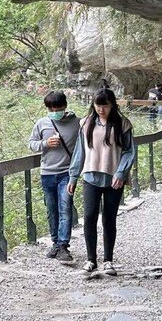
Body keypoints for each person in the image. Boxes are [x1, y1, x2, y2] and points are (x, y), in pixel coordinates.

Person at [67, 88, 134, 279]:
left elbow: (129, 151)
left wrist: (121, 172)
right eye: (98, 105)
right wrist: (73, 176)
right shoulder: (86, 123)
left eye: (104, 105)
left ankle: (108, 260)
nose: (101, 109)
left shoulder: (123, 124)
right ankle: (91, 259)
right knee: (89, 217)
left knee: (109, 219)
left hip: (114, 178)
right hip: (90, 176)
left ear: (112, 105)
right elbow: (80, 151)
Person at [28, 91, 81, 261]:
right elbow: (32, 144)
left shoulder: (76, 123)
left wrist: (77, 172)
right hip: (47, 173)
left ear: (65, 106)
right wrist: (46, 143)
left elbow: (83, 147)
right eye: (50, 108)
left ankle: (63, 245)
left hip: (67, 172)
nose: (54, 111)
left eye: (57, 108)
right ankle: (55, 243)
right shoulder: (42, 123)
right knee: (52, 210)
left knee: (65, 208)